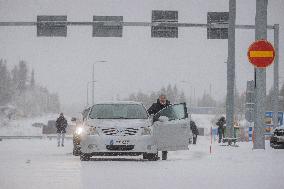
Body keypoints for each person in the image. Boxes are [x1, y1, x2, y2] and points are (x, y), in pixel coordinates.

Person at [147, 94, 171, 160]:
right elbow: (148, 113)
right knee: (156, 141)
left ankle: (164, 156)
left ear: (166, 99)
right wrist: (152, 117)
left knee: (165, 141)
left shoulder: (169, 106)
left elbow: (173, 114)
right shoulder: (155, 105)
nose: (162, 100)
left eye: (164, 99)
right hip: (157, 126)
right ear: (159, 99)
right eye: (161, 99)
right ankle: (155, 155)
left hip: (166, 126)